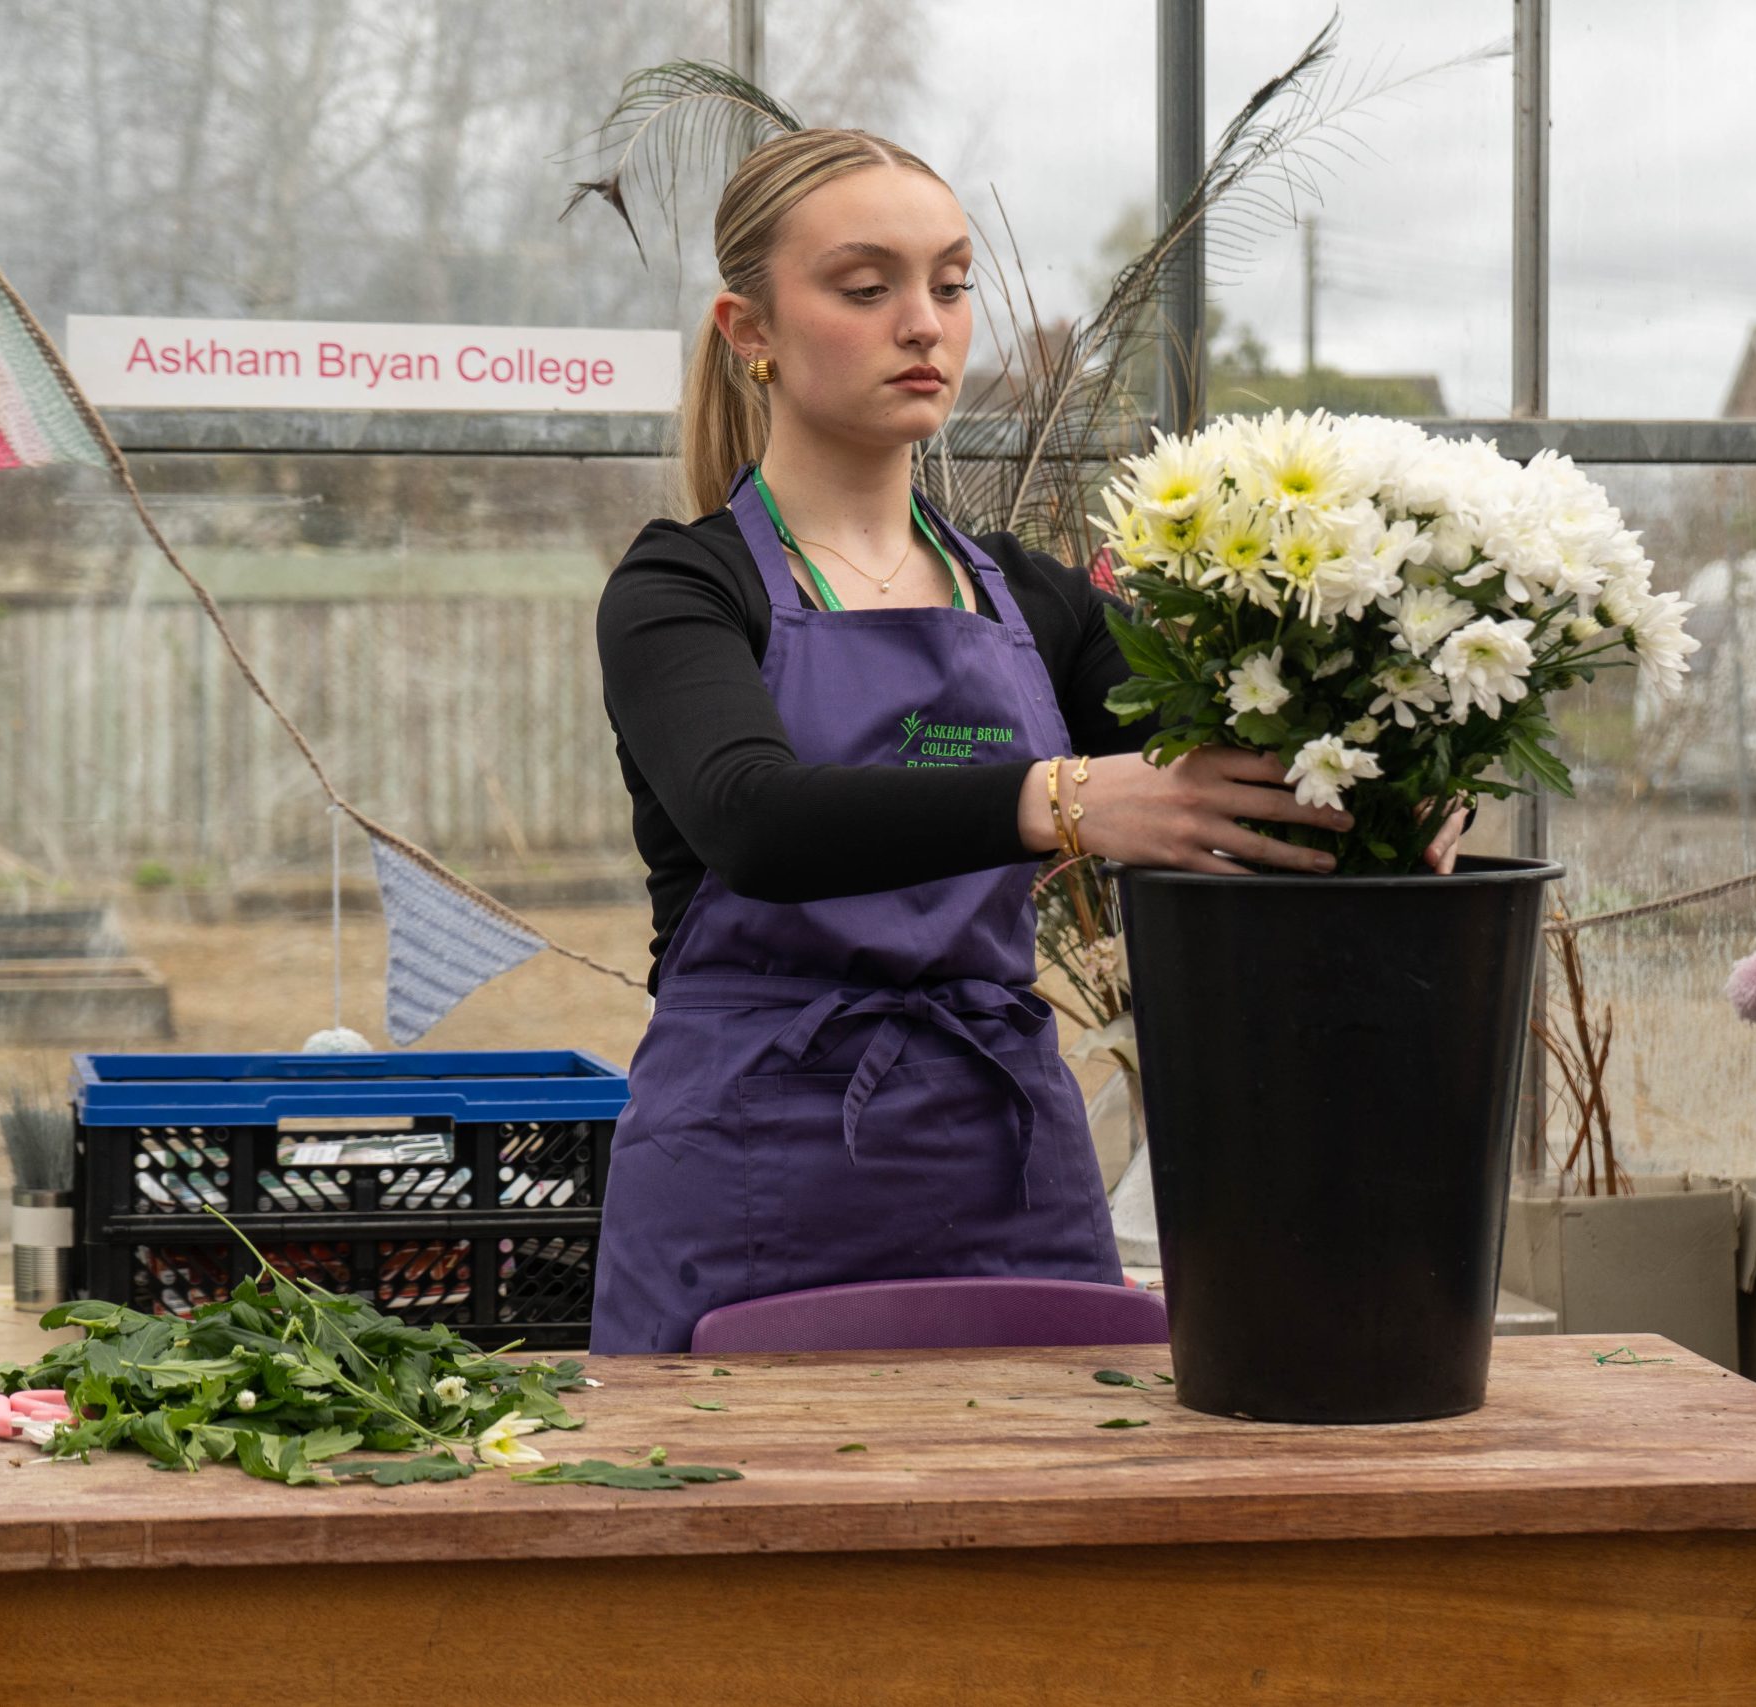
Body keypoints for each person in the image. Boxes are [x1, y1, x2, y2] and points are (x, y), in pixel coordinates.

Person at [587, 127, 1466, 1353]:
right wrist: (1061, 799)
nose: (924, 323)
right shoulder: (684, 588)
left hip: (1008, 1160)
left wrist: (1382, 782)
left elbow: (1224, 766)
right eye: (865, 287)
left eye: (949, 285)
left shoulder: (1030, 599)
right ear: (752, 334)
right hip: (752, 1164)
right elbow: (755, 818)